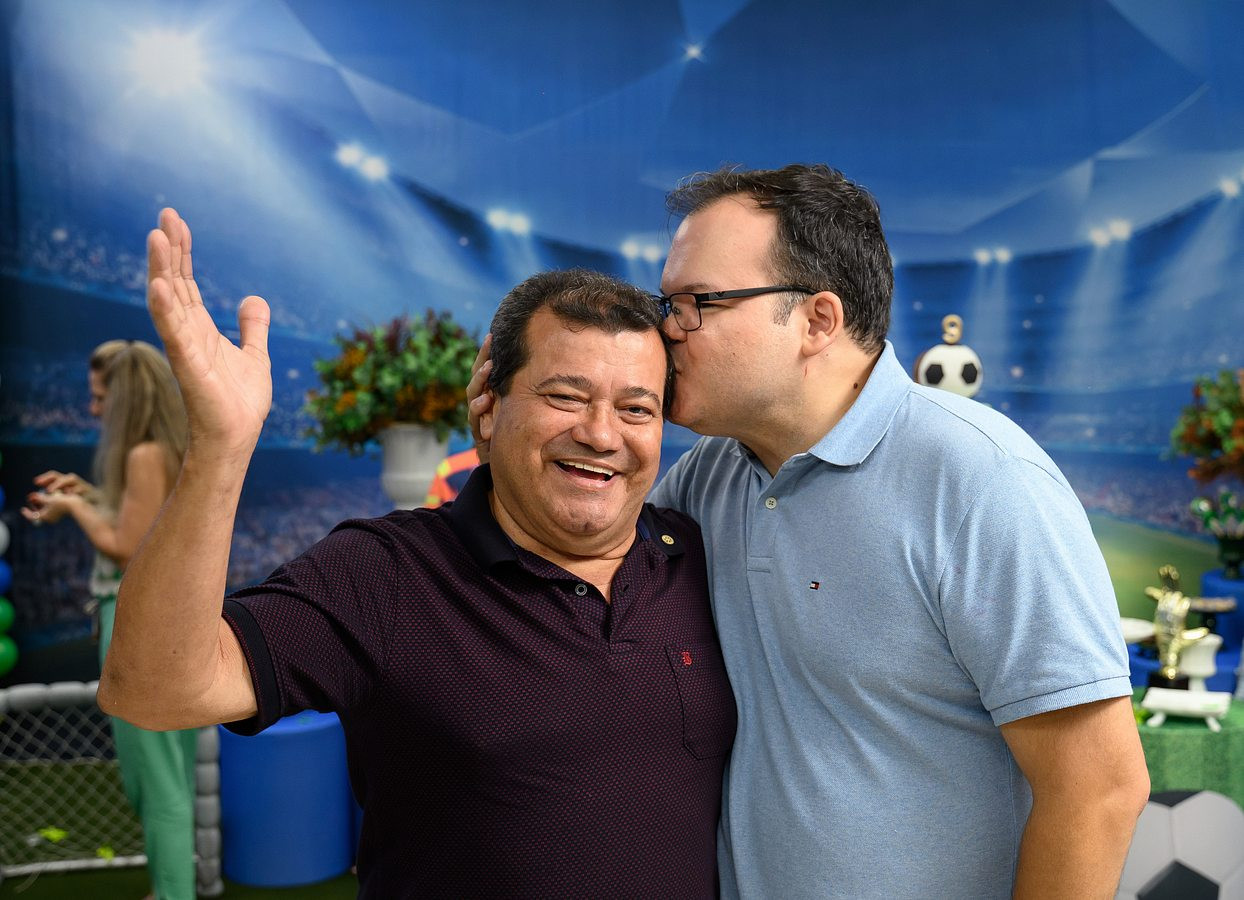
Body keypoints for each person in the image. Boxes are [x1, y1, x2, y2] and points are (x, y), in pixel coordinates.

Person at [469, 164, 1150, 898]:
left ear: (817, 321)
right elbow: (570, 578)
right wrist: (510, 443)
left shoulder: (980, 479)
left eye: (698, 303)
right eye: (669, 303)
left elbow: (1100, 790)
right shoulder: (707, 477)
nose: (667, 329)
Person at [98, 208, 735, 898]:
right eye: (565, 396)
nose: (602, 434)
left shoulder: (700, 557)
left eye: (637, 409)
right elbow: (154, 689)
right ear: (487, 406)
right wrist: (220, 447)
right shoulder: (387, 572)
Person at [22, 339, 197, 900]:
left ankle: (173, 894)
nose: (93, 408)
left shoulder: (144, 454)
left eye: (101, 398)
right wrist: (92, 495)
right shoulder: (165, 449)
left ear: (126, 399)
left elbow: (126, 547)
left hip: (138, 628)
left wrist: (75, 507)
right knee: (168, 773)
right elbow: (143, 522)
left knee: (155, 781)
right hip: (168, 625)